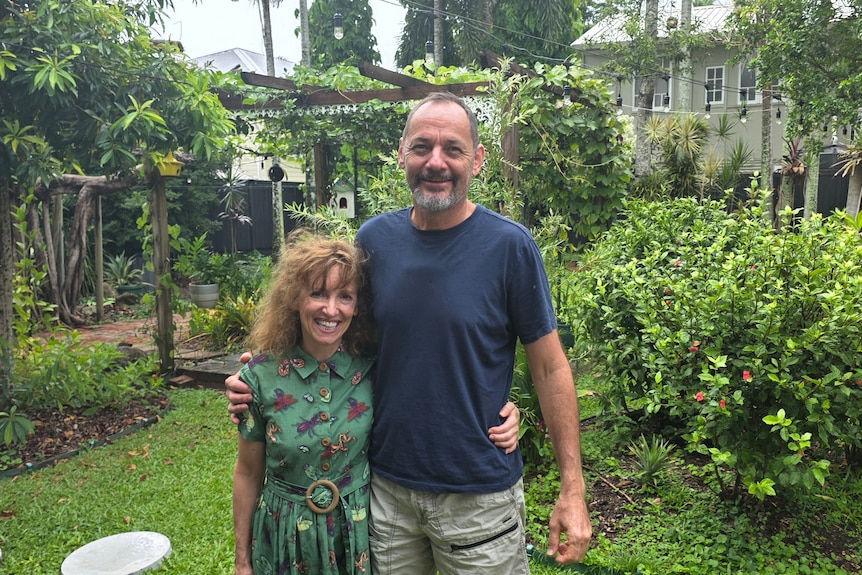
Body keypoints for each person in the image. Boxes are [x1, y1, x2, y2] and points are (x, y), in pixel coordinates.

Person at [228, 91, 591, 574]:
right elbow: (335, 330)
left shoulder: (509, 246)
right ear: (402, 154)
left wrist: (572, 488)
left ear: (478, 160)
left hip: (478, 496)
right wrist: (260, 376)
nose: (435, 162)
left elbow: (550, 366)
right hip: (385, 494)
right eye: (422, 147)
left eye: (453, 149)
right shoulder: (375, 241)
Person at [232, 233, 378, 575]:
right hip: (282, 534)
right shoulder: (259, 377)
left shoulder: (374, 368)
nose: (331, 309)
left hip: (355, 534)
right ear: (295, 298)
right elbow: (248, 471)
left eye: (345, 296)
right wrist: (242, 561)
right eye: (317, 293)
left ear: (357, 307)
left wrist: (508, 410)